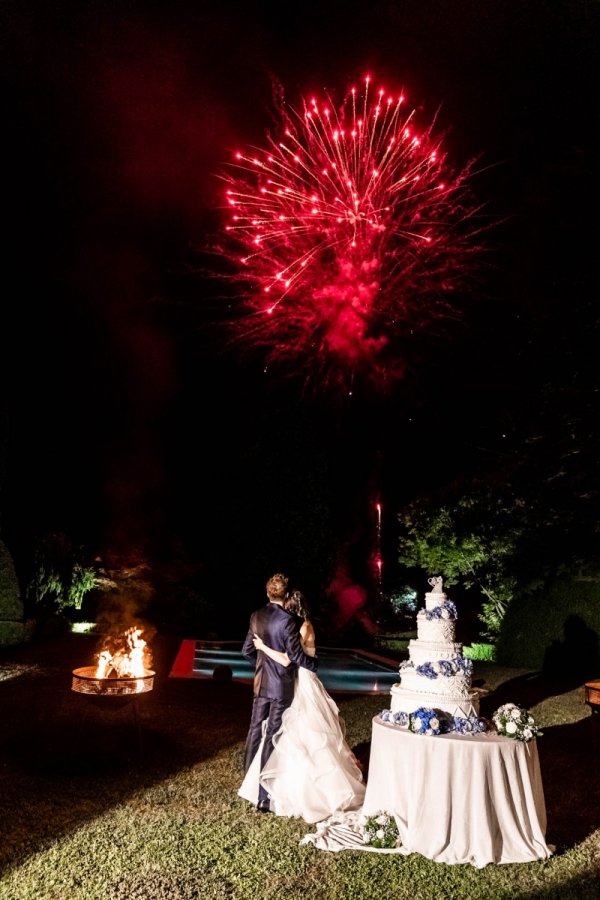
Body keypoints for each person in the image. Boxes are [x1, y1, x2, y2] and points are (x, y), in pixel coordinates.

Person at [238, 590, 366, 824]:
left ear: (293, 608)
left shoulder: (304, 627)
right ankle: (268, 782)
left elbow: (292, 658)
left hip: (304, 682)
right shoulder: (293, 624)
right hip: (292, 682)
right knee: (287, 732)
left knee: (307, 732)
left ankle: (312, 788)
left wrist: (265, 648)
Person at [241, 573, 319, 813]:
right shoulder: (288, 621)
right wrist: (315, 665)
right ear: (285, 596)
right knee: (272, 735)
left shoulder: (255, 616)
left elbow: (246, 651)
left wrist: (263, 658)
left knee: (255, 730)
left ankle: (248, 781)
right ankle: (264, 795)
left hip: (260, 683)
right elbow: (294, 657)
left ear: (267, 593)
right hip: (280, 686)